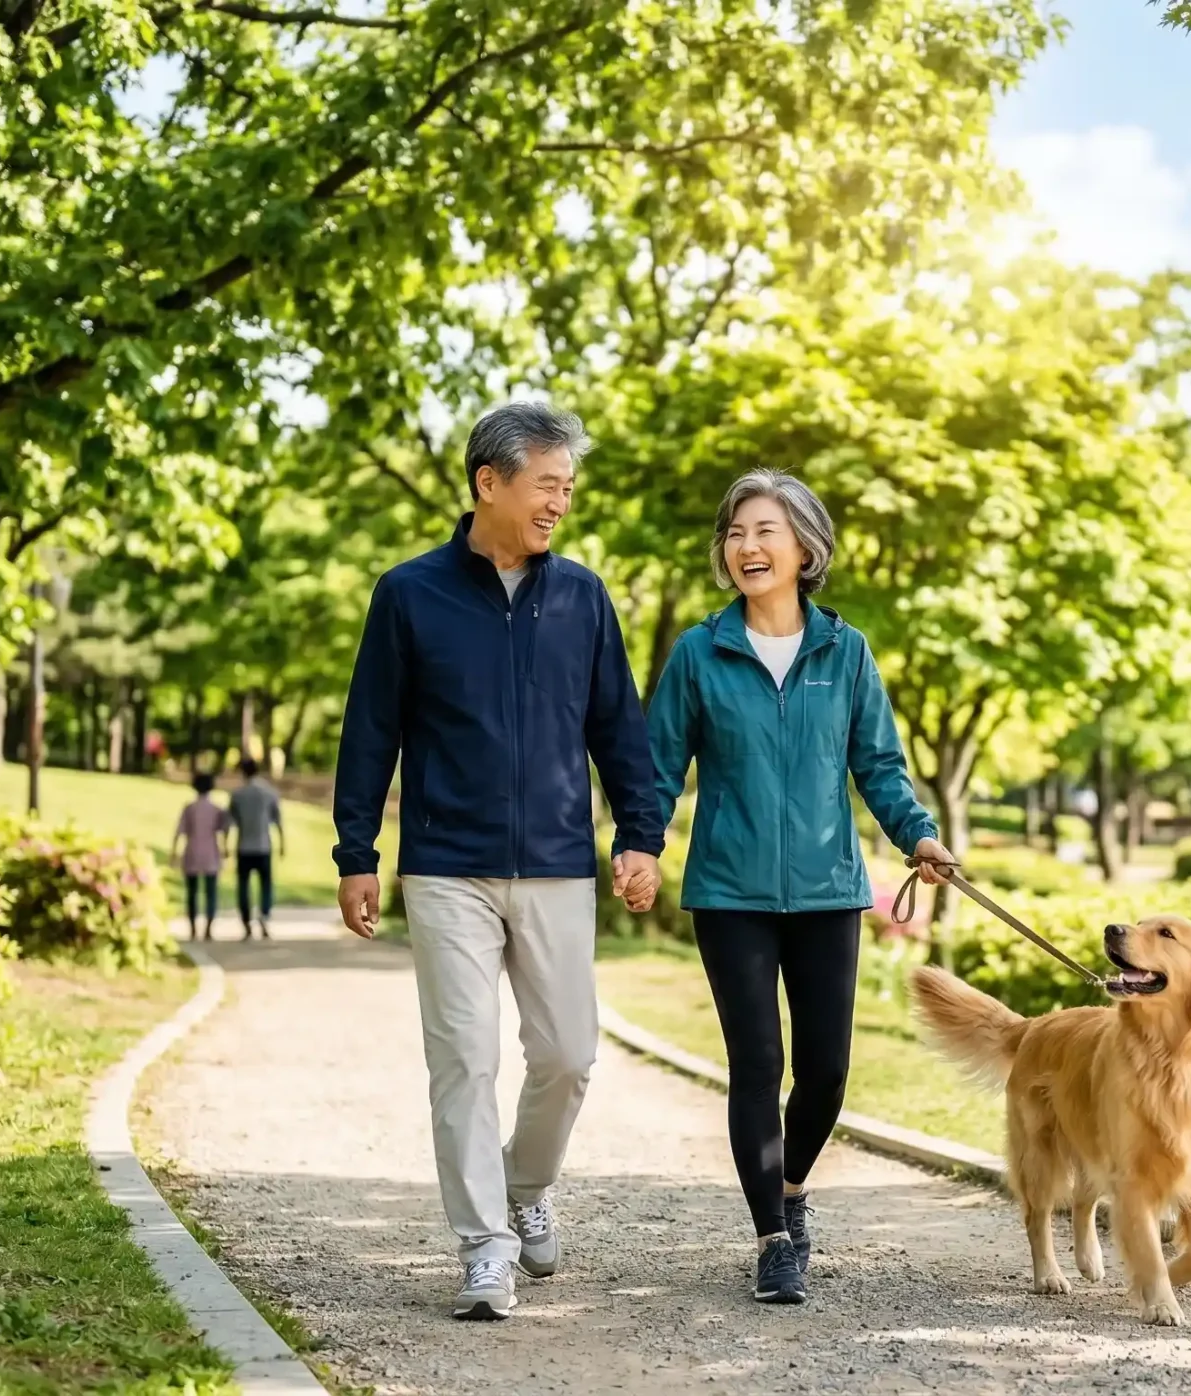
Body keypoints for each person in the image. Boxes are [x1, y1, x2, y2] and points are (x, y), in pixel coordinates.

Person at [332, 401, 664, 1323]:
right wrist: (356, 851)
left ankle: (526, 1185)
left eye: (567, 486)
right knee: (464, 1061)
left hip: (558, 862)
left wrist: (639, 834)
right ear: (491, 482)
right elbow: (371, 732)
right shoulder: (409, 594)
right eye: (547, 484)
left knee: (568, 1055)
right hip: (445, 866)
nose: (561, 501)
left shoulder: (584, 597)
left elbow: (618, 731)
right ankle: (484, 1245)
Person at [645, 469, 952, 1306]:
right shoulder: (700, 654)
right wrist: (640, 844)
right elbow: (659, 764)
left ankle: (790, 1188)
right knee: (757, 1063)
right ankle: (774, 1241)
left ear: (805, 547)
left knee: (825, 1074)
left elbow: (878, 766)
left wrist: (918, 835)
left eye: (765, 531)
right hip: (730, 894)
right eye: (736, 533)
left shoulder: (844, 653)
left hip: (826, 892)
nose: (747, 546)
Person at [228, 757, 284, 939]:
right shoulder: (269, 792)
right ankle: (264, 915)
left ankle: (246, 922)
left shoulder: (238, 794)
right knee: (266, 885)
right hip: (263, 846)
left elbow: (230, 822)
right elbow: (278, 820)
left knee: (243, 886)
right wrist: (283, 843)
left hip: (244, 846)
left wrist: (224, 844)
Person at [172, 772, 231, 940]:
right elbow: (224, 830)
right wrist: (226, 848)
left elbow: (179, 831)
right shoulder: (216, 809)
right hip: (211, 852)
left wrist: (174, 853)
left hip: (192, 852)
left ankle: (192, 929)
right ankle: (208, 928)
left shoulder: (189, 808)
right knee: (211, 892)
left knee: (192, 893)